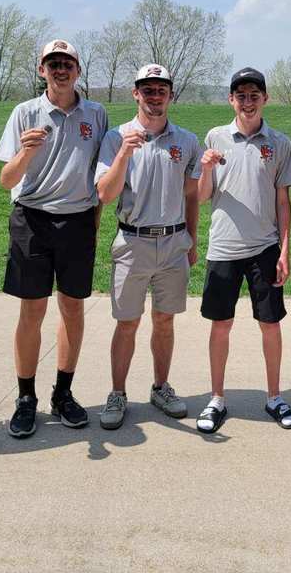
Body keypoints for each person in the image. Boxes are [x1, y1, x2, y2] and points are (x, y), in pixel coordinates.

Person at [0, 39, 108, 437]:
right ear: (41, 70)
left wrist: (94, 218)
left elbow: (102, 176)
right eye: (52, 63)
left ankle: (63, 392)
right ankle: (27, 398)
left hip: (77, 221)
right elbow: (6, 179)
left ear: (78, 70)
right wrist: (25, 153)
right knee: (32, 311)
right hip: (32, 219)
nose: (60, 69)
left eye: (67, 63)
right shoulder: (25, 112)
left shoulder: (96, 115)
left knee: (73, 309)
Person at [94, 64, 201, 429]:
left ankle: (160, 387)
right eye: (147, 90)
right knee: (127, 322)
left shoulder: (186, 141)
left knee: (165, 320)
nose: (154, 97)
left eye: (161, 90)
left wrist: (192, 237)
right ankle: (117, 393)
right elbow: (105, 195)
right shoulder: (115, 137)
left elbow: (191, 194)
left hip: (173, 242)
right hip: (132, 241)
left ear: (170, 95)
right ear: (135, 94)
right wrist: (124, 154)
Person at [195, 67, 291, 433]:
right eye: (241, 95)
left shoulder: (280, 143)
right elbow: (204, 196)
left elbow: (283, 201)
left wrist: (285, 249)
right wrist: (206, 170)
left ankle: (273, 396)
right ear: (231, 100)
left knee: (270, 324)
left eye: (255, 95)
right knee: (221, 324)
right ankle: (217, 398)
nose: (248, 102)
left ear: (265, 99)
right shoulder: (215, 138)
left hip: (265, 248)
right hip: (223, 248)